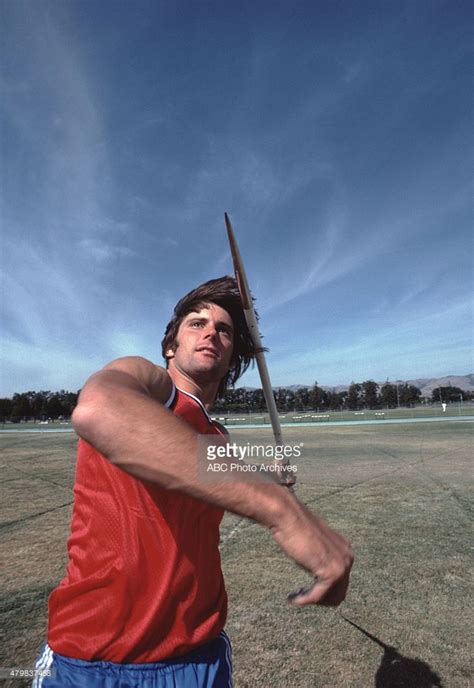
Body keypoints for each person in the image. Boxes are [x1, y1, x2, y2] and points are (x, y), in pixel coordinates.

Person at [33, 276, 353, 688]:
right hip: (91, 657)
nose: (211, 333)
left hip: (197, 656)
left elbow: (213, 471)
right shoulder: (149, 384)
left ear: (232, 355)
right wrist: (282, 508)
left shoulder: (218, 436)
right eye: (197, 323)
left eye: (224, 330)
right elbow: (100, 410)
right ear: (171, 345)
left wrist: (272, 476)